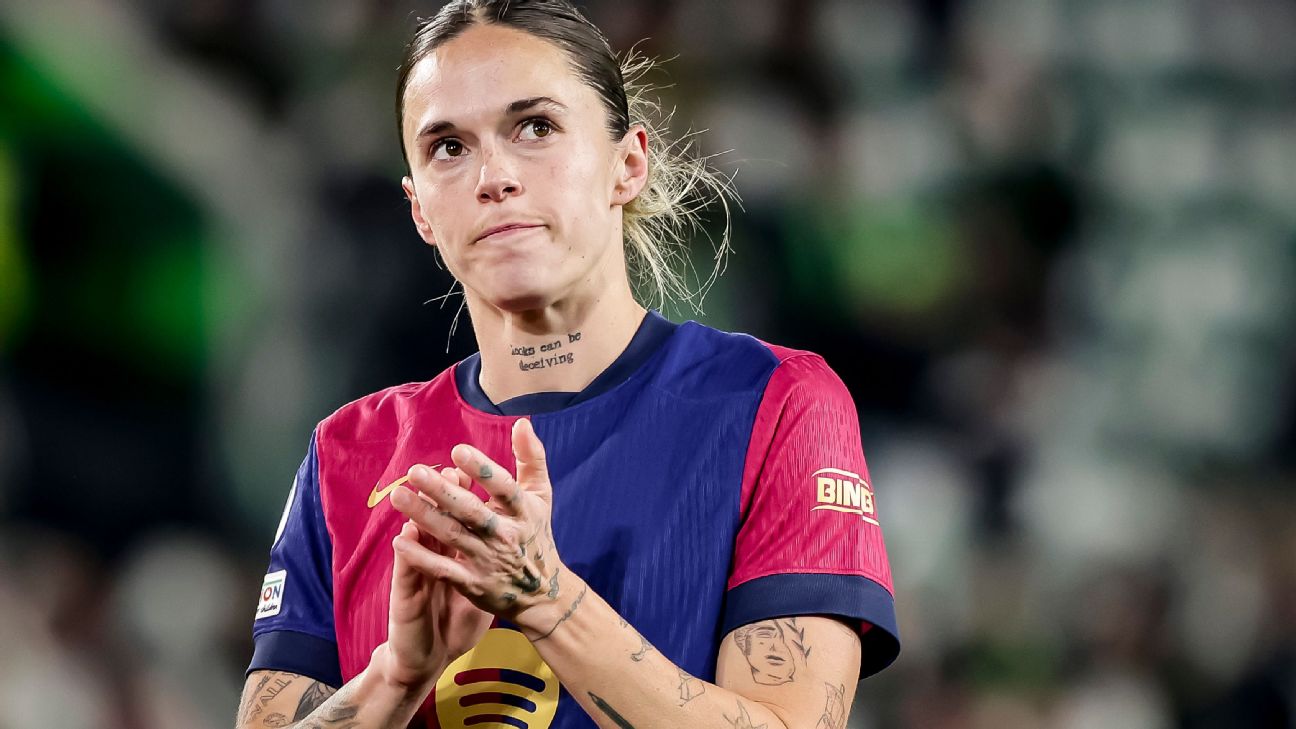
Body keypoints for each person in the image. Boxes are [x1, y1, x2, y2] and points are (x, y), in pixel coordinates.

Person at [236, 1, 899, 727]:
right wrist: (396, 678)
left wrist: (550, 601)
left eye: (536, 128)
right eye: (448, 147)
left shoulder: (773, 403)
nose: (493, 176)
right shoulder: (346, 454)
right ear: (419, 208)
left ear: (628, 163)